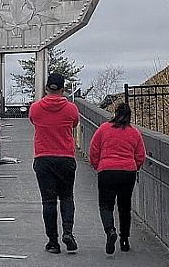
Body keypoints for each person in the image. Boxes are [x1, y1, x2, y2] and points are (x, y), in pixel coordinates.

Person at [29, 72, 80, 254]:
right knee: (67, 197)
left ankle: (53, 242)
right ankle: (68, 232)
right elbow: (74, 124)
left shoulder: (35, 108)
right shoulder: (71, 108)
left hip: (43, 158)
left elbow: (33, 121)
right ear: (63, 89)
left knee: (48, 201)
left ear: (46, 88)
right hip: (65, 158)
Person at [88, 102, 146, 254]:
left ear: (115, 114)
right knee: (124, 207)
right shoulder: (135, 133)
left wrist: (97, 166)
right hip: (128, 171)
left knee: (106, 205)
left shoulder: (103, 129)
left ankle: (110, 231)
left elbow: (94, 150)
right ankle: (125, 240)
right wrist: (134, 167)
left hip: (107, 170)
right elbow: (140, 155)